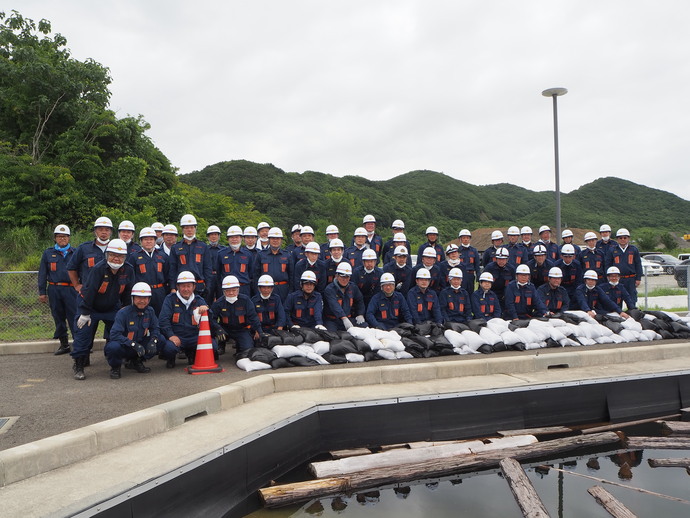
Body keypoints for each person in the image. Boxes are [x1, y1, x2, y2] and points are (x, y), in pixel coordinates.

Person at [70, 239, 135, 380]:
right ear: (106, 255)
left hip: (112, 307)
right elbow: (90, 291)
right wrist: (85, 312)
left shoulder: (128, 269)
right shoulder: (98, 269)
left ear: (125, 257)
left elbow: (128, 292)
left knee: (117, 337)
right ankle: (79, 365)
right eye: (112, 255)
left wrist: (125, 311)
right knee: (83, 335)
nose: (116, 259)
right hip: (90, 306)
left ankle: (115, 366)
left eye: (120, 256)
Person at [104, 282, 169, 379]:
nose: (142, 301)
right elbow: (114, 335)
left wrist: (153, 340)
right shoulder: (123, 313)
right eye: (138, 298)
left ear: (149, 299)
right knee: (113, 347)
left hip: (139, 344)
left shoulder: (150, 311)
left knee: (161, 339)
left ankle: (137, 361)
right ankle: (115, 367)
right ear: (133, 298)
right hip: (125, 346)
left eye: (145, 298)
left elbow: (155, 328)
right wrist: (132, 344)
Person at [158, 271, 214, 367]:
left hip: (194, 336)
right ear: (178, 287)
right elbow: (163, 320)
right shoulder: (170, 299)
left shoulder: (199, 300)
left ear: (194, 287)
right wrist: (171, 335)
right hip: (177, 336)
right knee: (168, 348)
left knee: (213, 345)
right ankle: (171, 358)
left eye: (189, 286)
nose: (186, 289)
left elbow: (210, 320)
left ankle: (192, 354)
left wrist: (206, 310)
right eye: (183, 286)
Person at [38, 224, 77, 355]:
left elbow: (82, 272)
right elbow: (42, 273)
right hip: (54, 289)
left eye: (65, 236)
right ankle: (64, 344)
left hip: (71, 290)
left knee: (74, 318)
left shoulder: (75, 252)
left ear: (69, 238)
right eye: (59, 237)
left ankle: (79, 344)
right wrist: (42, 292)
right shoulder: (48, 253)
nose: (62, 239)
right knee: (58, 317)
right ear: (55, 238)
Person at [210, 275, 262, 354]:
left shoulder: (245, 300)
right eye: (228, 290)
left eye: (233, 290)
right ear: (223, 291)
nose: (231, 293)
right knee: (215, 336)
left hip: (242, 329)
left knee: (247, 350)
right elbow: (212, 318)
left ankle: (239, 345)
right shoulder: (218, 303)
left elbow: (253, 317)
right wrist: (218, 329)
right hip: (225, 329)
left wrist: (258, 331)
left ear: (238, 290)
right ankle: (220, 345)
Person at [168, 214, 213, 297]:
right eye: (186, 227)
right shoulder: (175, 247)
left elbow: (207, 268)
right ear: (182, 229)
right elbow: (172, 269)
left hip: (199, 286)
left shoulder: (203, 246)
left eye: (192, 227)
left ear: (195, 229)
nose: (189, 230)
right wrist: (172, 287)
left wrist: (208, 286)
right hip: (182, 287)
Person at [127, 227, 169, 315]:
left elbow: (167, 275)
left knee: (160, 317)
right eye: (146, 239)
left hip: (159, 293)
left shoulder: (163, 256)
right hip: (142, 293)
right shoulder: (134, 257)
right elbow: (131, 277)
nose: (148, 241)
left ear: (155, 241)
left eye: (151, 239)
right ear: (141, 241)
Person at [67, 216, 113, 295]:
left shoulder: (116, 248)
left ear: (111, 232)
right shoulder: (84, 248)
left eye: (107, 230)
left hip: (110, 293)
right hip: (88, 293)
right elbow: (71, 267)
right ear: (95, 231)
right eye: (100, 229)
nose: (104, 232)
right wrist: (77, 285)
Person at [322, 262, 366, 332]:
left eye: (347, 277)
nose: (345, 279)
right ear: (337, 276)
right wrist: (343, 318)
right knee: (332, 335)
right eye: (342, 276)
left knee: (364, 327)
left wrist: (360, 314)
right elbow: (335, 306)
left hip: (348, 319)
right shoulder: (329, 289)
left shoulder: (353, 287)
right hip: (332, 320)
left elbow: (359, 301)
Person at [604, 228, 642, 306]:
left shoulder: (634, 249)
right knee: (616, 301)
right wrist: (609, 278)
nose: (623, 239)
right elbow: (607, 265)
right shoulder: (612, 250)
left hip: (630, 279)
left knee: (631, 301)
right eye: (620, 238)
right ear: (617, 239)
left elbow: (638, 264)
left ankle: (632, 316)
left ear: (628, 238)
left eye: (625, 237)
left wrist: (638, 278)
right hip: (617, 279)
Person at [253, 227, 293, 302]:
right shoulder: (261, 255)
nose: (275, 240)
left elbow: (291, 275)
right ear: (269, 239)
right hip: (265, 289)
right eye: (273, 238)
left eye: (278, 238)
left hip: (283, 290)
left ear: (281, 240)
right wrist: (257, 292)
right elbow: (256, 275)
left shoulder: (287, 255)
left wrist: (290, 293)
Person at [217, 225, 253, 298]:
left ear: (241, 238)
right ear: (228, 239)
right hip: (227, 289)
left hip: (243, 289)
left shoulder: (248, 254)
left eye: (236, 237)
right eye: (231, 237)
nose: (234, 239)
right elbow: (218, 273)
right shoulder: (221, 254)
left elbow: (251, 274)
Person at [205, 225, 224, 303]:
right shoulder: (204, 249)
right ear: (208, 237)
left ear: (219, 236)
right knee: (208, 298)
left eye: (215, 234)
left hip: (220, 277)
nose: (213, 236)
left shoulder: (224, 250)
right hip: (209, 277)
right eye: (211, 235)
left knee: (222, 298)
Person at [457, 229, 480, 293]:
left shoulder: (474, 250)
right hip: (461, 275)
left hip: (471, 275)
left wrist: (478, 276)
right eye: (464, 238)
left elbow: (477, 265)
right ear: (460, 239)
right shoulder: (457, 251)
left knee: (470, 292)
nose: (466, 239)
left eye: (467, 238)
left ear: (470, 239)